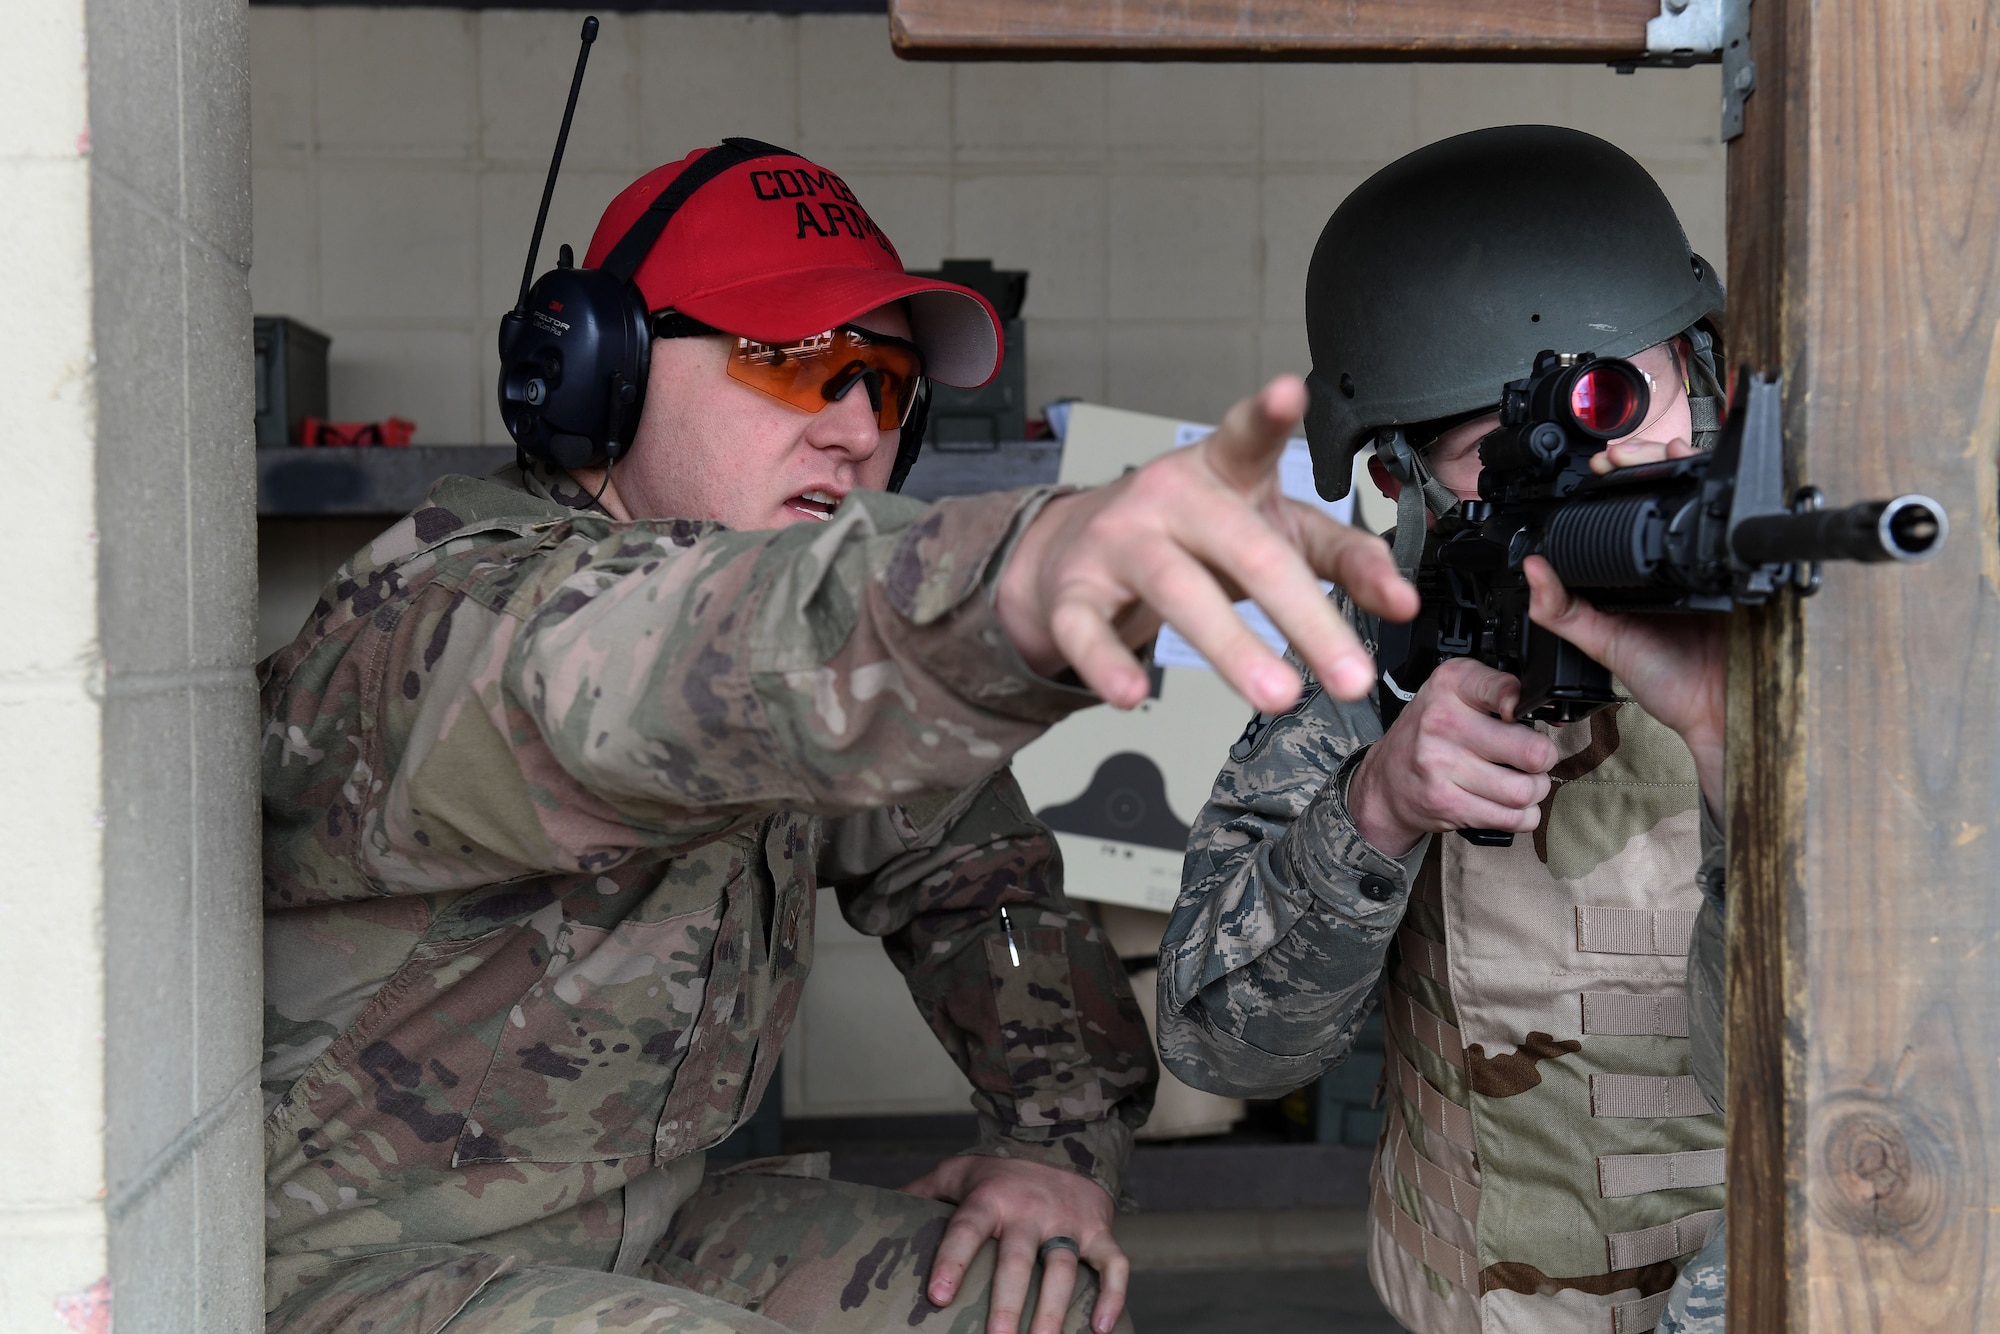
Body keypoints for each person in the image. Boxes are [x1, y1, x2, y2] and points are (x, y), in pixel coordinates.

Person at [258, 142, 1413, 1334]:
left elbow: (983, 892)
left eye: (885, 381)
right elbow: (695, 658)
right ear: (603, 370)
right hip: (353, 1271)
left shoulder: (818, 665)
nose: (857, 427)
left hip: (638, 1223)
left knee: (1028, 1301)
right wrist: (1018, 577)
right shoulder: (456, 617)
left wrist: (1055, 1143)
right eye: (792, 360)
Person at [1158, 126, 1731, 1334]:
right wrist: (1372, 809)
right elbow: (1217, 1048)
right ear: (1398, 485)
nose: (1606, 468)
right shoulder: (1378, 652)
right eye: (1506, 451)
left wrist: (1739, 759)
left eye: (1625, 396)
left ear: (1703, 370)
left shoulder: (1848, 635)